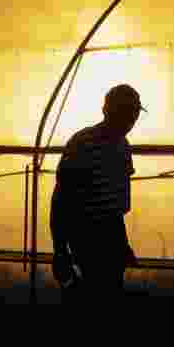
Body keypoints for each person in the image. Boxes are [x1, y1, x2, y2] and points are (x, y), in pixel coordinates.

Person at [50, 84, 145, 297]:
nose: (132, 120)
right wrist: (59, 249)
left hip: (101, 234)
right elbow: (62, 197)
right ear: (111, 112)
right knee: (101, 291)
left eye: (134, 113)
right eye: (130, 113)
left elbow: (115, 208)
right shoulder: (85, 143)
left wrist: (122, 243)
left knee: (101, 291)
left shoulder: (118, 146)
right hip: (88, 232)